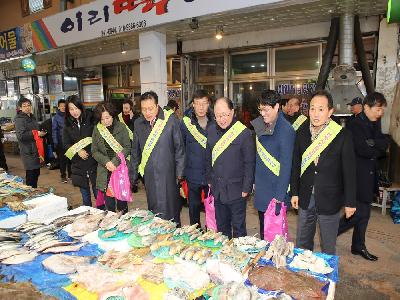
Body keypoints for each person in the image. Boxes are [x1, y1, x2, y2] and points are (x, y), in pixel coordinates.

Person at [290, 90, 356, 255]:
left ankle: (328, 280)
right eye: (312, 109)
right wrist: (295, 192)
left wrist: (350, 202)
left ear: (330, 112)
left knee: (328, 247)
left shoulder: (342, 136)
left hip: (330, 199)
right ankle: (304, 277)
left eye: (321, 109)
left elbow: (349, 172)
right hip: (306, 197)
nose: (315, 114)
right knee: (302, 245)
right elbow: (296, 164)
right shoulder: (301, 133)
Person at [338, 92, 388, 261]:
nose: (380, 113)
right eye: (378, 109)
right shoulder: (354, 125)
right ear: (367, 107)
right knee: (359, 213)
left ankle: (357, 246)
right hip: (357, 177)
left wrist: (374, 143)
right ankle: (331, 231)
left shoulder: (376, 122)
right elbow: (363, 150)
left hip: (370, 174)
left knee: (364, 214)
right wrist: (375, 146)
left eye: (382, 110)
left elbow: (384, 144)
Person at [130, 91, 185, 224]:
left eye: (150, 108)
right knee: (154, 208)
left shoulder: (170, 121)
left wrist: (180, 174)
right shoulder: (138, 124)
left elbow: (180, 149)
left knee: (171, 209)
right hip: (149, 175)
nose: (147, 112)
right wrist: (132, 176)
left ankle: (174, 236)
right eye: (144, 109)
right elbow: (135, 151)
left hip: (169, 174)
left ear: (157, 106)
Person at [206, 97, 255, 239]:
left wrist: (247, 188)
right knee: (221, 229)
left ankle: (240, 258)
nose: (222, 119)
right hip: (218, 189)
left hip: (237, 190)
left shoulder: (244, 133)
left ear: (233, 112)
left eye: (225, 115)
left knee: (239, 230)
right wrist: (209, 179)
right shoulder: (210, 131)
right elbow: (207, 157)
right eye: (218, 115)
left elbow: (249, 163)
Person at [250, 90, 295, 240]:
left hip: (275, 188)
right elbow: (257, 156)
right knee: (264, 227)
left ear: (276, 107)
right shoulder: (261, 124)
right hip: (262, 185)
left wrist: (280, 195)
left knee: (275, 231)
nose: (262, 113)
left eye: (266, 110)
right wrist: (255, 181)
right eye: (260, 109)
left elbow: (287, 165)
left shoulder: (286, 130)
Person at [180, 90, 214, 227]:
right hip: (192, 174)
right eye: (198, 104)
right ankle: (195, 231)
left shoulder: (215, 122)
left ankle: (211, 231)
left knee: (211, 208)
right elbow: (180, 148)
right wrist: (181, 174)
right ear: (192, 105)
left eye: (204, 104)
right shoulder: (185, 123)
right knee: (193, 208)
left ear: (208, 104)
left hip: (210, 174)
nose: (201, 107)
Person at [92, 103, 131, 213]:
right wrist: (106, 162)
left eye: (107, 117)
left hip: (119, 170)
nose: (105, 121)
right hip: (105, 171)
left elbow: (127, 147)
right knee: (109, 204)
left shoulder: (121, 127)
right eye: (102, 119)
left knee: (122, 203)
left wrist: (115, 162)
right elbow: (94, 151)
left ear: (112, 115)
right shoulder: (97, 129)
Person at [63, 95, 98, 207]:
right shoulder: (67, 125)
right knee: (85, 196)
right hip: (79, 165)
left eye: (76, 108)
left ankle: (103, 213)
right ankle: (88, 216)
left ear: (81, 107)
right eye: (71, 109)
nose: (74, 112)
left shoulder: (91, 118)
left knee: (99, 194)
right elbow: (66, 144)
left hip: (94, 162)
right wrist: (78, 151)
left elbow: (98, 138)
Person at [14, 97, 46, 188]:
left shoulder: (32, 117)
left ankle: (33, 192)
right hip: (28, 151)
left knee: (36, 173)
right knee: (31, 175)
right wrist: (36, 133)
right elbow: (21, 135)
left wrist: (41, 132)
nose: (27, 107)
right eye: (24, 106)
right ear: (20, 108)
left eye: (29, 105)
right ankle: (30, 196)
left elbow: (36, 129)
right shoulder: (19, 119)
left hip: (36, 150)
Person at [52, 99, 71, 183]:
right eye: (61, 106)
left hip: (70, 140)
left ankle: (71, 175)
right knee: (62, 159)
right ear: (58, 107)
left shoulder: (70, 115)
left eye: (64, 106)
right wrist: (55, 142)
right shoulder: (56, 117)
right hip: (61, 141)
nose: (63, 107)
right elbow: (54, 130)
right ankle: (63, 176)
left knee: (71, 158)